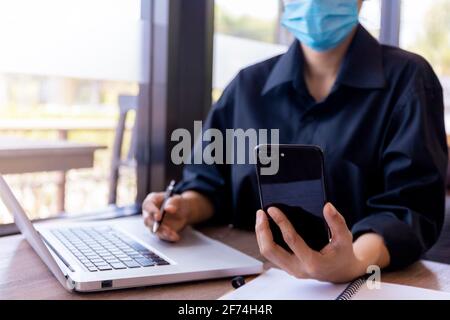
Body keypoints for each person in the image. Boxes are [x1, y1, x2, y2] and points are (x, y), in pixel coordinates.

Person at [142, 0, 448, 283]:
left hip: (365, 284)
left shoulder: (408, 80)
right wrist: (183, 207)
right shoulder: (247, 86)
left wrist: (354, 261)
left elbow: (410, 207)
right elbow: (209, 183)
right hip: (247, 275)